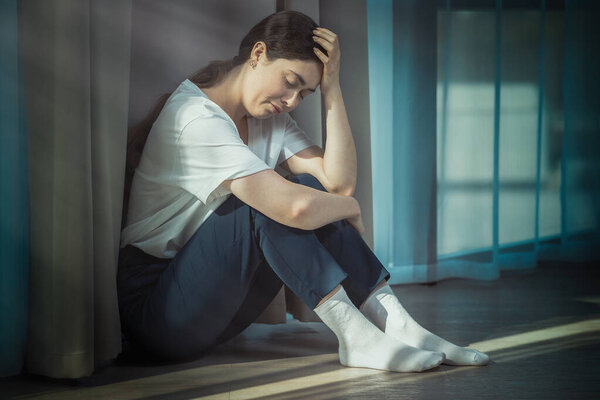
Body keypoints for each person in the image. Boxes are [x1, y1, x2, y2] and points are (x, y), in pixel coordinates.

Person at [117, 10, 489, 373]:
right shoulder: (195, 118)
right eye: (291, 81)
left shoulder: (270, 120)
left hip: (217, 311)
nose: (292, 100)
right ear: (258, 54)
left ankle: (398, 324)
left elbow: (336, 183)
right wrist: (349, 206)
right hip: (159, 313)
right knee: (268, 204)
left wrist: (332, 90)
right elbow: (296, 208)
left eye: (305, 93)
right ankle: (356, 336)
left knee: (307, 189)